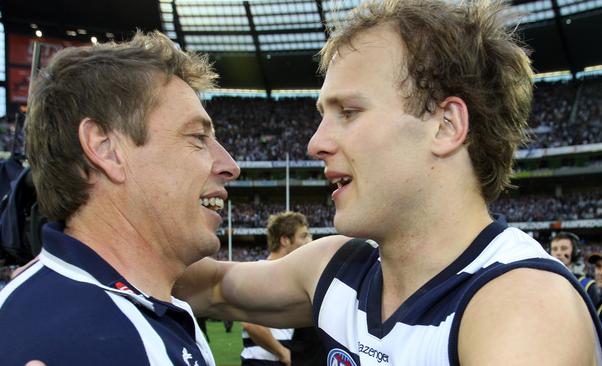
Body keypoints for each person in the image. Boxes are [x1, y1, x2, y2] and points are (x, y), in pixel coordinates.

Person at [176, 0, 602, 364]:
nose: (315, 143)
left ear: (445, 125)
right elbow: (208, 286)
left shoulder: (525, 308)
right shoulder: (340, 268)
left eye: (349, 111)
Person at [0, 31, 239, 365]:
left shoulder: (122, 307)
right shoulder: (82, 340)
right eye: (197, 137)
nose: (230, 166)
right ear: (106, 149)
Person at [239, 211, 322, 366]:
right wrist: (283, 353)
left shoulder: (289, 276)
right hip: (263, 361)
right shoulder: (258, 271)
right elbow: (250, 323)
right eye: (303, 236)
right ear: (285, 240)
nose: (310, 240)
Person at [550, 231, 601, 307]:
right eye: (554, 249)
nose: (558, 253)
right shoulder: (543, 281)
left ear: (575, 252)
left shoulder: (586, 286)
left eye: (564, 248)